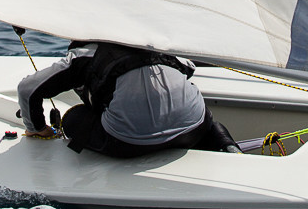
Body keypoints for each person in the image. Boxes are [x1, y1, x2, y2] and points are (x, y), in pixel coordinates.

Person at [17, 41, 240, 156]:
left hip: (127, 144)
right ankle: (228, 147)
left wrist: (37, 128)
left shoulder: (82, 56)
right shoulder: (158, 44)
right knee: (207, 119)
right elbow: (188, 69)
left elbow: (27, 89)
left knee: (74, 117)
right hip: (192, 131)